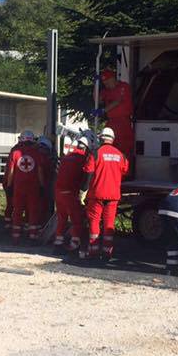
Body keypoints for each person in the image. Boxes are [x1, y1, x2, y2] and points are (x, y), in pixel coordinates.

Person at [83, 127, 129, 259]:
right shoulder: (121, 155)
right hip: (113, 195)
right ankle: (107, 251)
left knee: (94, 222)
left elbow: (88, 173)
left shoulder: (95, 153)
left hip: (96, 194)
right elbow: (125, 170)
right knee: (109, 224)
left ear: (100, 138)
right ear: (112, 139)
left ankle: (93, 251)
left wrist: (83, 191)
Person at [7, 131, 45, 243]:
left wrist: (9, 186)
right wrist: (42, 185)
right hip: (33, 188)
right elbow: (40, 171)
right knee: (33, 211)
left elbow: (11, 172)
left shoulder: (15, 153)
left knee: (17, 211)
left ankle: (16, 236)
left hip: (19, 187)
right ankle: (32, 236)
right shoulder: (37, 153)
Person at [54, 135, 89, 253]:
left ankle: (58, 244)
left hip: (58, 192)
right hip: (70, 193)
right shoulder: (83, 158)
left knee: (62, 219)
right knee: (76, 220)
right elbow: (86, 175)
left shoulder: (67, 157)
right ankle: (74, 245)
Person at [97, 69, 134, 164]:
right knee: (108, 143)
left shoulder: (123, 87)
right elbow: (97, 100)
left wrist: (103, 110)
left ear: (113, 78)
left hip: (123, 122)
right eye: (104, 83)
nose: (106, 85)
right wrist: (95, 84)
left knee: (124, 146)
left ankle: (125, 170)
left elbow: (118, 101)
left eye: (108, 82)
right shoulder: (106, 91)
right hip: (112, 121)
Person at [3, 131, 31, 230]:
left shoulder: (15, 150)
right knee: (18, 205)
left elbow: (10, 170)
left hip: (14, 182)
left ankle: (13, 225)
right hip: (16, 183)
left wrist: (9, 184)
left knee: (15, 205)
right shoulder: (19, 151)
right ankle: (14, 224)